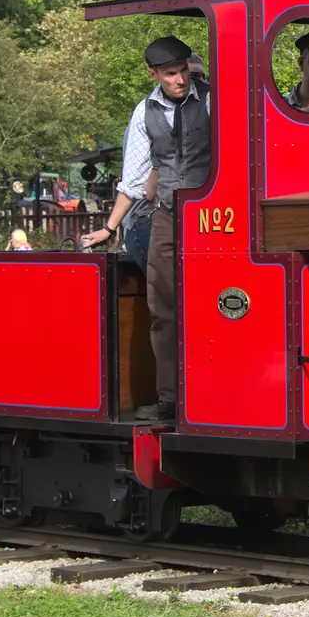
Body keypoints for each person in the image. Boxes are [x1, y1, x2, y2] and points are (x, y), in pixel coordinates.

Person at [81, 36, 212, 421]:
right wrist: (109, 226)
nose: (180, 80)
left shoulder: (213, 99)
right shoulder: (143, 113)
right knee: (163, 308)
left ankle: (213, 393)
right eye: (170, 74)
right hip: (168, 215)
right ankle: (171, 399)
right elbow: (135, 178)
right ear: (153, 74)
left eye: (183, 71)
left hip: (215, 213)